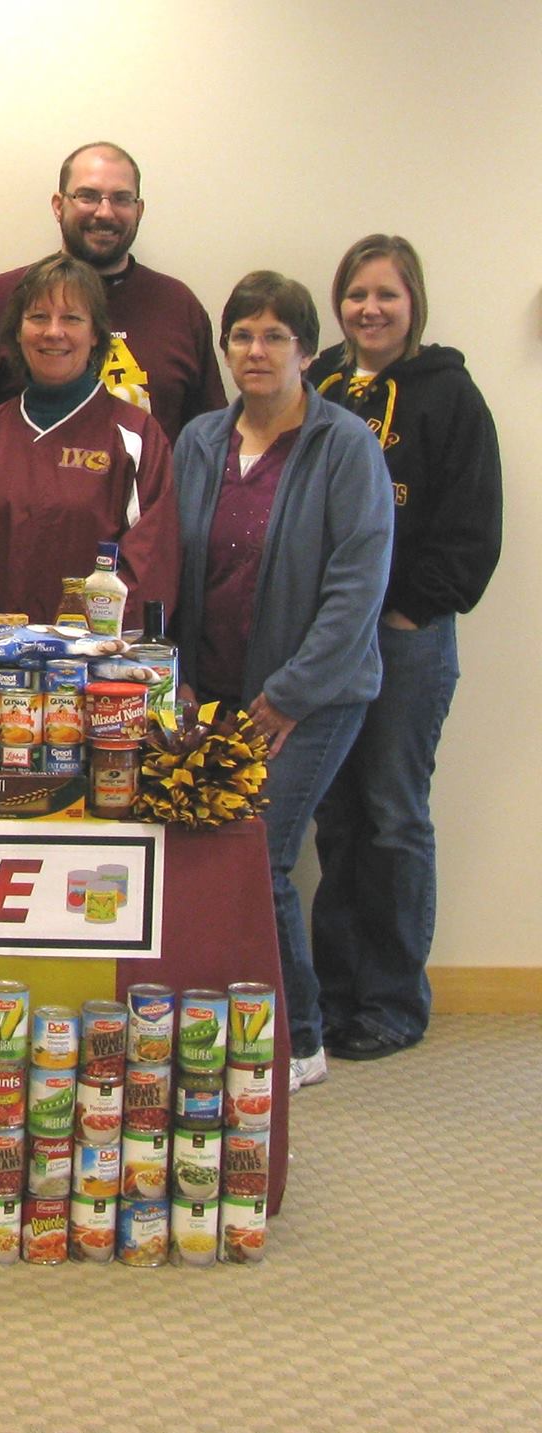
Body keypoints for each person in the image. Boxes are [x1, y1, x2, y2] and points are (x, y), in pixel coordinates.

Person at [170, 272, 392, 1093]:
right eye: (241, 336)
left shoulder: (344, 446)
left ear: (306, 350)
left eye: (273, 337)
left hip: (316, 698)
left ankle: (300, 1039)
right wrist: (181, 678)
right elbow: (176, 567)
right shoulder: (198, 440)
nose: (255, 352)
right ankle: (228, 1022)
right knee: (210, 856)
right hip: (213, 690)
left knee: (259, 855)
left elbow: (356, 589)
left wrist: (289, 696)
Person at [307, 237, 502, 1063]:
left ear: (414, 301)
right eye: (356, 294)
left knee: (391, 816)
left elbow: (471, 528)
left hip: (403, 643)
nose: (370, 309)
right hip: (324, 641)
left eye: (387, 294)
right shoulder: (315, 385)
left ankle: (390, 1000)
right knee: (338, 818)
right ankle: (337, 989)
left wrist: (411, 612)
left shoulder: (449, 396)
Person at [0, 254, 179, 624]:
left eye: (71, 318)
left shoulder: (136, 439)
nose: (53, 332)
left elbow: (149, 565)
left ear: (96, 334)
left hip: (94, 669)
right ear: (17, 333)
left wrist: (88, 649)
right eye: (38, 317)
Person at [0, 142, 225, 442]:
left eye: (122, 199)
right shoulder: (1, 300)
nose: (104, 212)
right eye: (88, 196)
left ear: (139, 210)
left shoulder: (178, 307)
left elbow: (208, 442)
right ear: (59, 205)